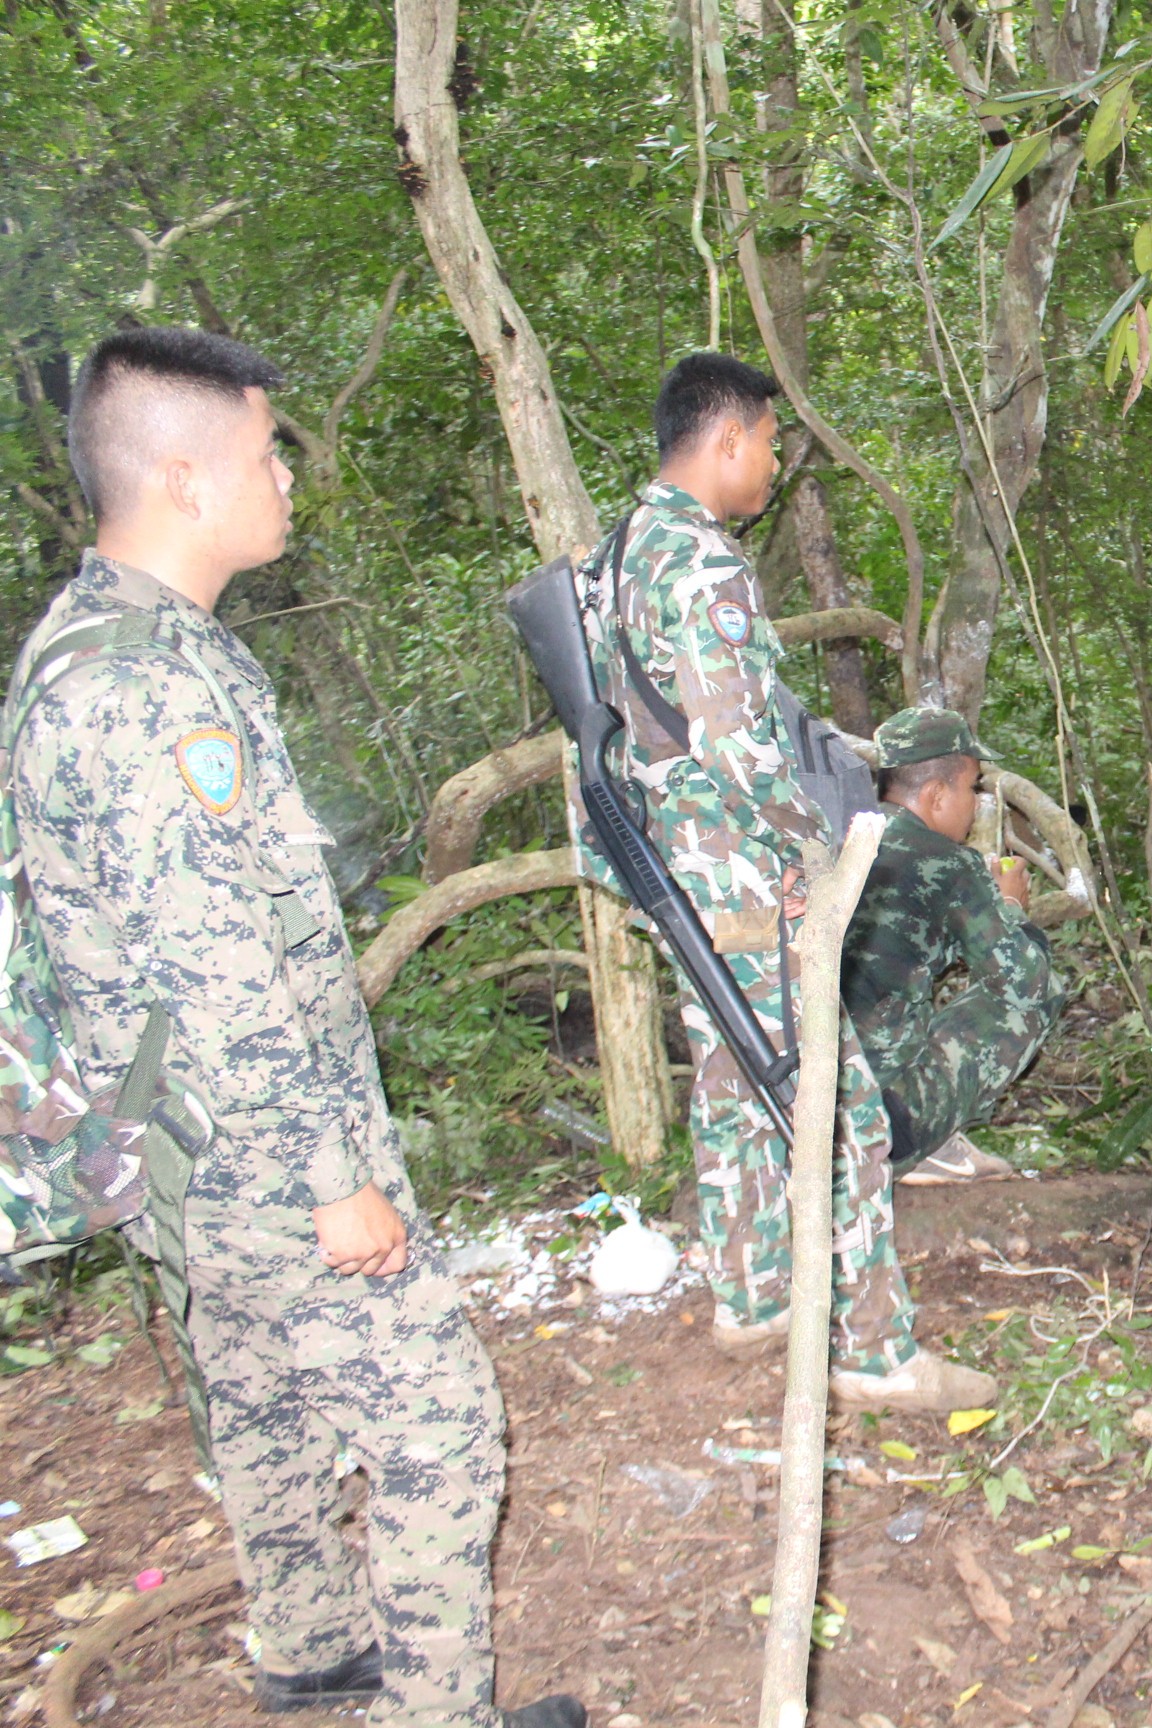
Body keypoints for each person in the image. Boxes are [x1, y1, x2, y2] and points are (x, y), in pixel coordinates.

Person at [7, 329, 581, 1726]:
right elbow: (216, 969)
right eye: (270, 454)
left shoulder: (88, 645)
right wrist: (338, 1182)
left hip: (171, 1143)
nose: (287, 482)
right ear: (189, 478)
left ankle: (314, 1653)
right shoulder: (151, 687)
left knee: (259, 1400)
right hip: (256, 1146)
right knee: (440, 1427)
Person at [581, 352, 990, 1411]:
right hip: (748, 879)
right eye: (766, 441)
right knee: (837, 1102)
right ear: (726, 440)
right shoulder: (701, 562)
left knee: (730, 1087)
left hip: (679, 871)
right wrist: (829, 845)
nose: (769, 462)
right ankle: (875, 1352)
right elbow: (738, 749)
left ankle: (753, 1293)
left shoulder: (618, 551)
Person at [840, 707, 1066, 1184]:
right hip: (879, 1123)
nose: (978, 802)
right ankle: (926, 1145)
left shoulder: (839, 835)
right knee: (1038, 993)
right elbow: (1025, 981)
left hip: (803, 1109)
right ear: (936, 795)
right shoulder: (945, 862)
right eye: (973, 788)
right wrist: (1008, 907)